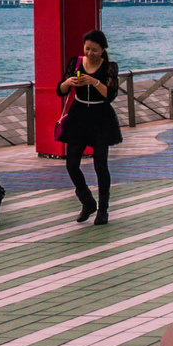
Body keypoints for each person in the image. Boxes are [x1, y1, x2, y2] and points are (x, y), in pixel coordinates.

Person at [57, 30, 121, 224]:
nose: (90, 53)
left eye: (94, 50)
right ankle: (86, 200)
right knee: (71, 163)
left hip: (100, 117)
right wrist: (69, 82)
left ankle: (103, 209)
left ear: (102, 50)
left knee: (100, 165)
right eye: (87, 48)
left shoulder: (109, 67)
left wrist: (93, 81)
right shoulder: (75, 63)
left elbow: (110, 95)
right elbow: (60, 90)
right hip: (78, 115)